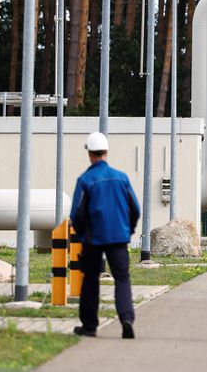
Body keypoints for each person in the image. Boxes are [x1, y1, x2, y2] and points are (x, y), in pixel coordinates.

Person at [70, 131, 140, 339]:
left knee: (90, 279)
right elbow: (134, 208)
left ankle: (90, 326)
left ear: (90, 154)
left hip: (93, 238)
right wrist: (128, 229)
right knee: (122, 278)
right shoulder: (122, 178)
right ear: (106, 152)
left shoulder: (85, 180)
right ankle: (126, 319)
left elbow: (77, 213)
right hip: (119, 236)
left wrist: (82, 235)